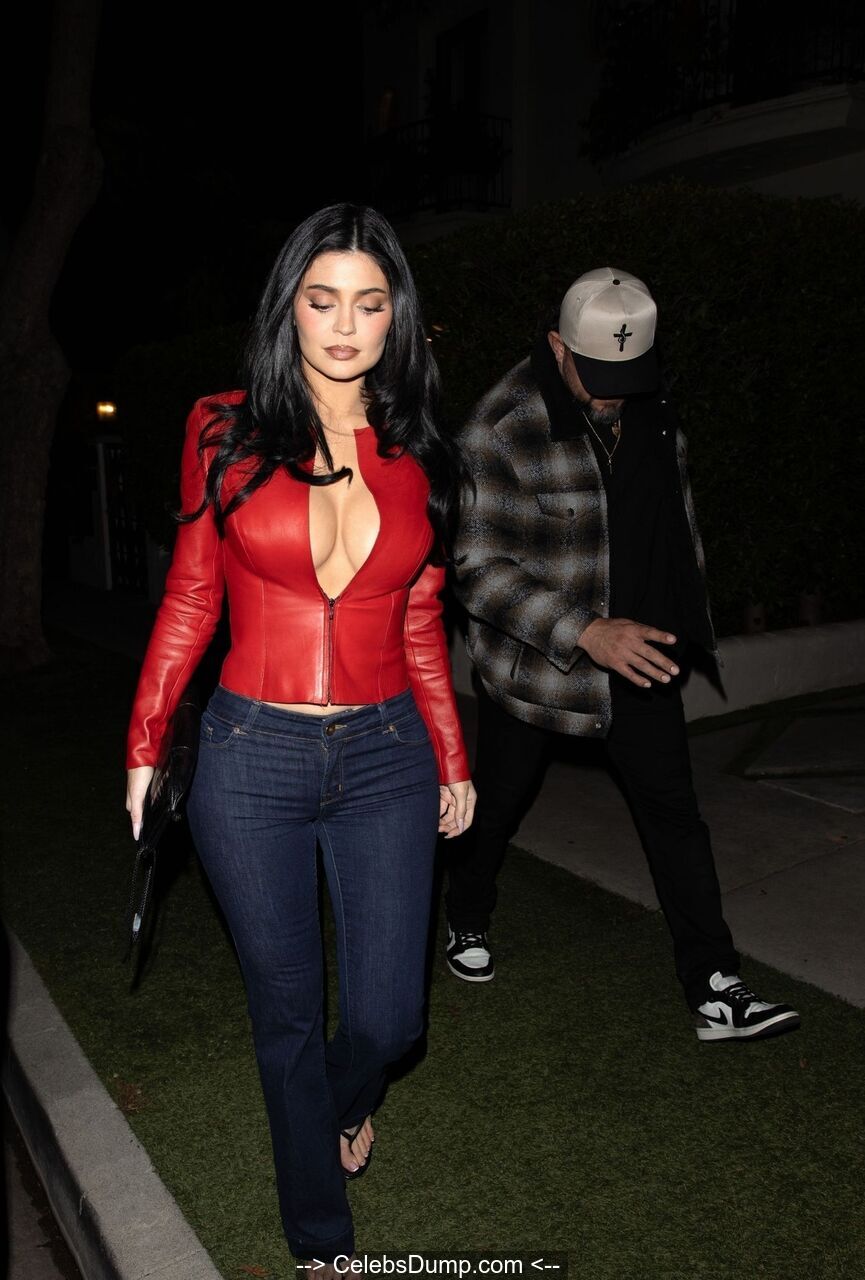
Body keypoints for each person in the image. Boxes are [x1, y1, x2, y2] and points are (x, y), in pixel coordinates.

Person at [125, 203, 476, 1269]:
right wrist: (146, 740)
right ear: (290, 308)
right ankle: (321, 1238)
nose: (345, 326)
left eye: (370, 304)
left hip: (385, 753)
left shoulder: (422, 451)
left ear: (396, 318)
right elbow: (192, 593)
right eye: (323, 301)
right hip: (249, 757)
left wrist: (451, 753)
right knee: (284, 1012)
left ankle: (338, 1099)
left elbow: (421, 617)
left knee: (389, 1018)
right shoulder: (222, 428)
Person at [445, 266, 799, 1043]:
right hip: (535, 670)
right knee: (497, 806)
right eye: (597, 377)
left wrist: (673, 615)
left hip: (640, 655)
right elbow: (475, 569)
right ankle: (466, 912)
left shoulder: (650, 407)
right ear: (555, 346)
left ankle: (713, 985)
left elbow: (667, 518)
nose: (613, 397)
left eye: (627, 377)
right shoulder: (498, 429)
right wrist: (584, 629)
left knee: (675, 819)